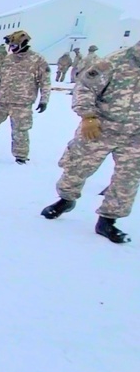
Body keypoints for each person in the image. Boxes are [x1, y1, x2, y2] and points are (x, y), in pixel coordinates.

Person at [41, 41, 140, 244]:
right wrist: (88, 117)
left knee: (127, 180)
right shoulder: (115, 61)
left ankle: (107, 220)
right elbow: (85, 87)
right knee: (77, 167)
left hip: (135, 135)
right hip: (99, 128)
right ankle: (66, 200)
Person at [0, 30, 50, 163]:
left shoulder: (37, 60)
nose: (12, 49)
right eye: (11, 47)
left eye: (14, 46)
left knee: (20, 131)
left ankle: (20, 157)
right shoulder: (7, 60)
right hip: (2, 101)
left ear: (24, 44)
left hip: (22, 104)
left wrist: (44, 100)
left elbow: (45, 82)